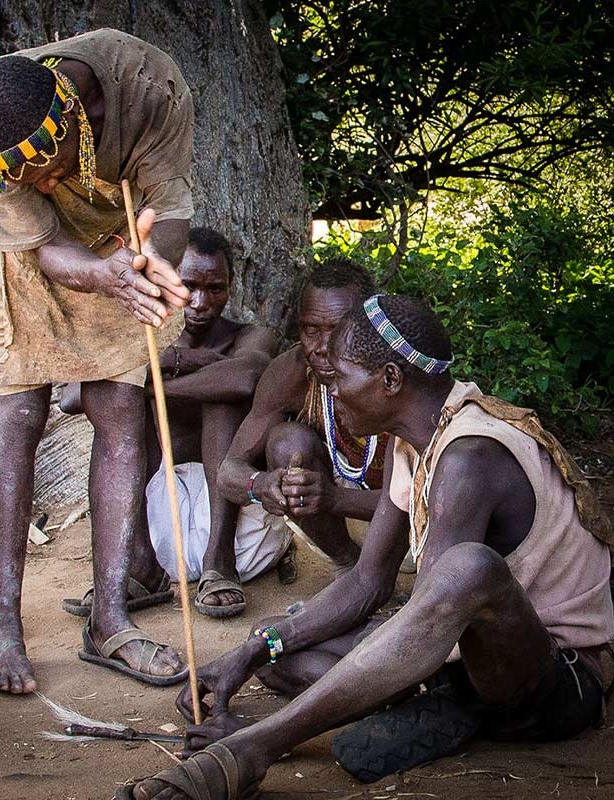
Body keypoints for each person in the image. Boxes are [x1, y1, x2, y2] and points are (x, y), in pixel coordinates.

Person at [118, 294, 614, 800]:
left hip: (555, 680)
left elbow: (431, 624)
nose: (330, 394)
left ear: (391, 380)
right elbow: (367, 581)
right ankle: (445, 707)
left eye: (339, 379)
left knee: (468, 570)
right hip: (464, 661)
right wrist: (251, 651)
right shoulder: (416, 441)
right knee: (276, 646)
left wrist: (259, 734)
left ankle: (251, 752)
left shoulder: (470, 457)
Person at [0, 29, 195, 692]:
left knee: (120, 407)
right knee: (17, 409)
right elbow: (38, 242)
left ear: (82, 118)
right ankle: (1, 623)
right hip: (21, 248)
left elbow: (171, 207)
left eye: (46, 169)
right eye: (26, 177)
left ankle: (109, 619)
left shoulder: (149, 84)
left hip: (119, 235)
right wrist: (101, 275)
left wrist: (147, 266)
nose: (39, 182)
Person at [63, 227, 278, 619]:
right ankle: (142, 567)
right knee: (128, 406)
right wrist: (174, 361)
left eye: (216, 288)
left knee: (220, 400)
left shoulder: (253, 335)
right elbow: (71, 398)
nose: (200, 302)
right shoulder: (139, 335)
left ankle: (218, 561)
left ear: (231, 288)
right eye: (188, 285)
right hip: (161, 524)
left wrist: (144, 379)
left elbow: (247, 377)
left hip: (238, 526)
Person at [218, 257, 389, 581]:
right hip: (343, 513)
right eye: (311, 330)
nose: (322, 347)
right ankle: (348, 563)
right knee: (286, 443)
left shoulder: (395, 375)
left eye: (339, 330)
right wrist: (262, 485)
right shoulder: (292, 373)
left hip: (409, 517)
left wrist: (336, 497)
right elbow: (229, 471)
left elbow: (427, 492)